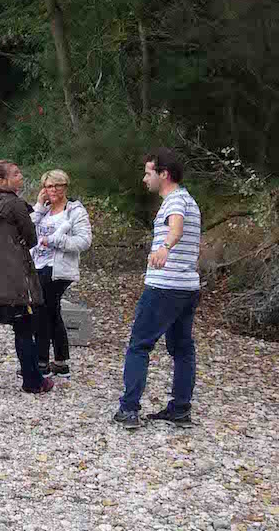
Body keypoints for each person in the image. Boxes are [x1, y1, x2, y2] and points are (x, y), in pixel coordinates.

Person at [114, 150, 202, 429]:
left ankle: (129, 410)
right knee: (182, 348)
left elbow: (175, 228)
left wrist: (165, 247)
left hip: (165, 286)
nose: (144, 179)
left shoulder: (175, 201)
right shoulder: (189, 199)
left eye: (148, 172)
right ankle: (180, 409)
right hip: (188, 287)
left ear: (163, 174)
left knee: (139, 345)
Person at [0, 160, 54, 395]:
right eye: (16, 174)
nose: (21, 176)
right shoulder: (15, 205)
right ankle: (33, 381)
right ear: (2, 182)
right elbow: (31, 239)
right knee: (23, 328)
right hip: (13, 278)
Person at [30, 169, 92, 378]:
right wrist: (38, 207)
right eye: (49, 186)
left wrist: (58, 241)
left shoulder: (74, 211)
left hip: (58, 269)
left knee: (41, 311)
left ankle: (41, 363)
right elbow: (27, 230)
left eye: (58, 185)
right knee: (52, 310)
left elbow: (84, 241)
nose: (53, 190)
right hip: (38, 265)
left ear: (65, 187)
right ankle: (61, 362)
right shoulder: (44, 210)